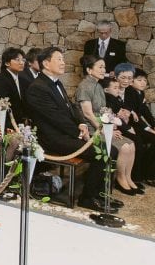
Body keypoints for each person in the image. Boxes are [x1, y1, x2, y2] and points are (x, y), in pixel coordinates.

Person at [25, 46, 110, 213]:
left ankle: (97, 194)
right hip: (53, 138)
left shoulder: (56, 82)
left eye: (63, 59)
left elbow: (71, 107)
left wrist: (82, 124)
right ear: (46, 63)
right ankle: (87, 197)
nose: (64, 63)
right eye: (59, 59)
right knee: (103, 153)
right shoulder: (37, 87)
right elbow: (55, 118)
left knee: (109, 150)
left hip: (67, 132)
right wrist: (79, 133)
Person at [76, 55, 137, 194]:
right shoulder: (85, 86)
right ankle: (120, 179)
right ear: (89, 70)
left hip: (102, 126)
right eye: (100, 67)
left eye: (104, 67)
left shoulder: (97, 85)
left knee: (131, 144)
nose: (104, 69)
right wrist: (103, 130)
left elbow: (104, 110)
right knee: (124, 147)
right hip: (92, 129)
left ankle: (128, 177)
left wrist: (112, 125)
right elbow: (88, 114)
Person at [0, 47, 27, 123]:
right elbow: (2, 105)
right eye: (17, 60)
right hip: (6, 122)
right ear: (7, 63)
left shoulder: (23, 79)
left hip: (21, 122)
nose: (21, 63)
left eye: (23, 60)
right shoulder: (0, 79)